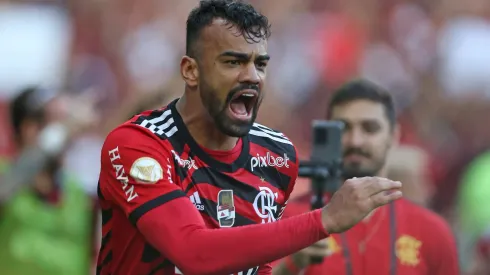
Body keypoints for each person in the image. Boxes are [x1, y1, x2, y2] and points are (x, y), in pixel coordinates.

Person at [96, 1, 403, 275]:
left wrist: (293, 266)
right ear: (191, 71)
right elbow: (193, 253)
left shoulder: (278, 155)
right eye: (233, 62)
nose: (253, 76)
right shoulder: (136, 145)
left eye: (260, 64)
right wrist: (323, 220)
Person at [272, 80, 459, 275]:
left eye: (370, 128)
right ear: (331, 135)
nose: (355, 140)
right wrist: (292, 266)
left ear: (393, 136)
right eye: (344, 128)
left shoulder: (431, 231)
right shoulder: (290, 220)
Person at [0, 86, 98, 275]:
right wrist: (61, 132)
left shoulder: (77, 192)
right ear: (27, 129)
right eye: (52, 123)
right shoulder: (6, 175)